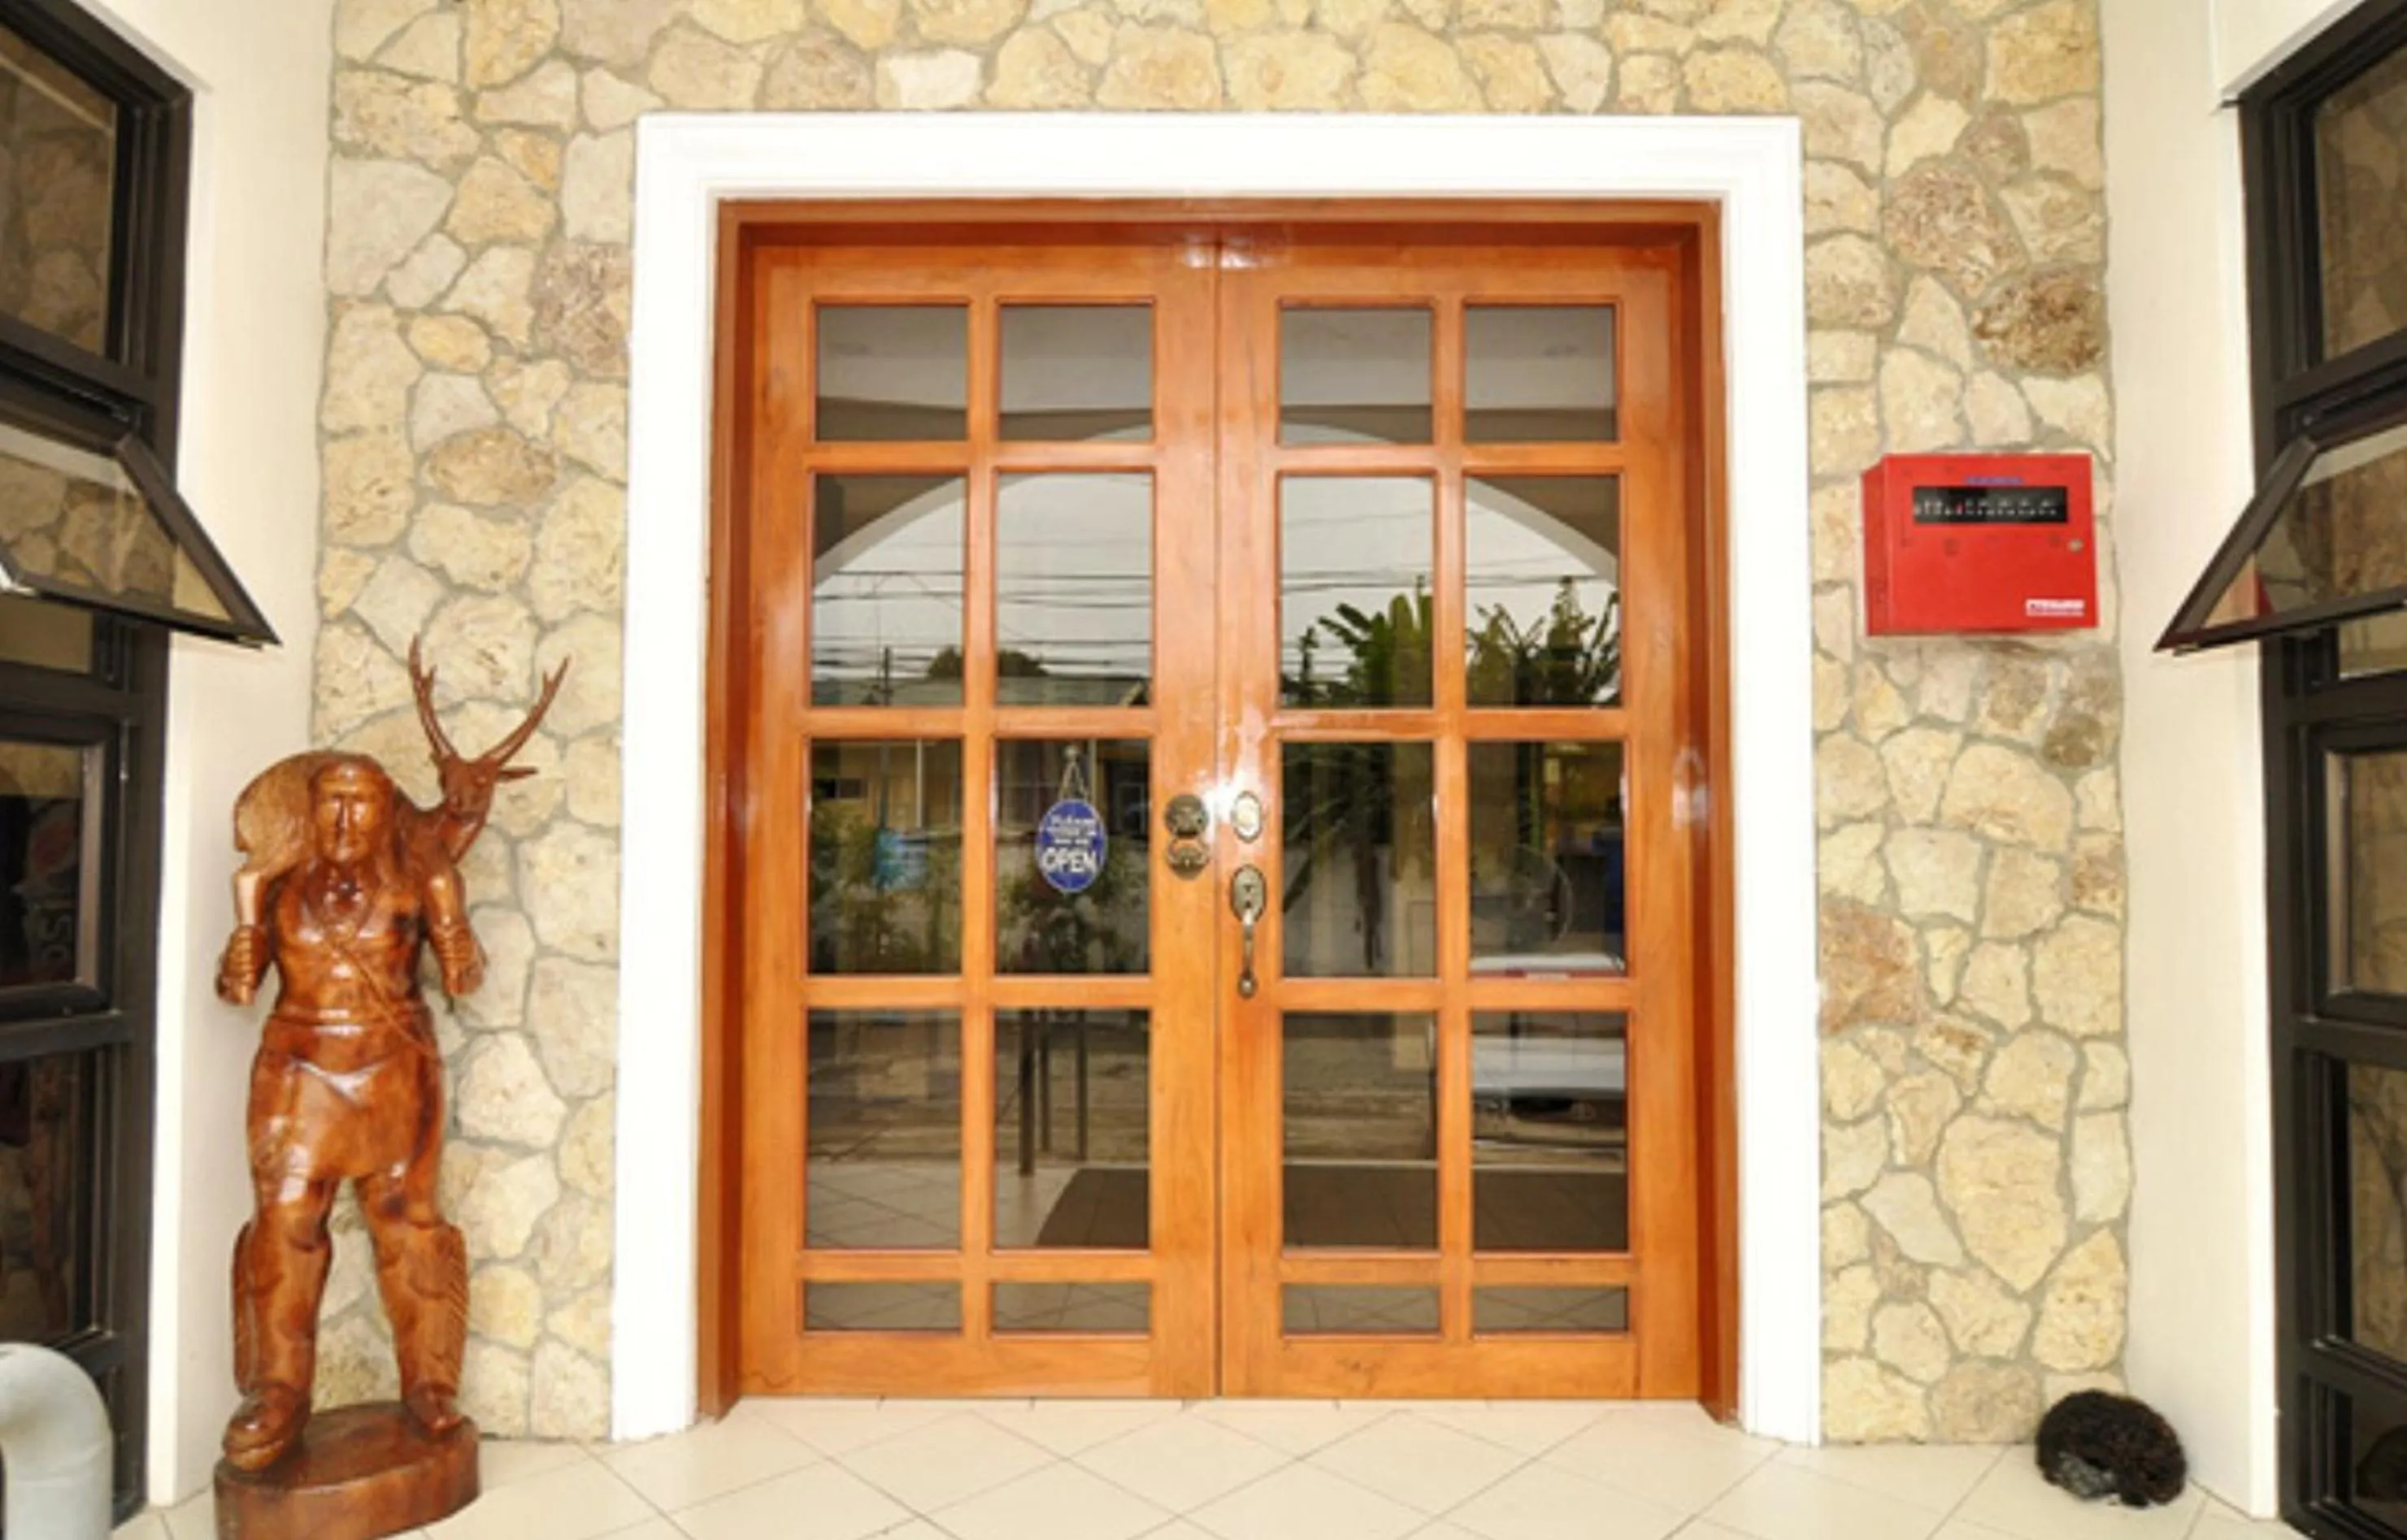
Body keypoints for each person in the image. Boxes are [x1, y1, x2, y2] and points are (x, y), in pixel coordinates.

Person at [214, 755, 480, 1471]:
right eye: (331, 800)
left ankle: (429, 1382)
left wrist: (450, 923)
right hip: (297, 1066)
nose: (343, 817)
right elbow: (237, 988)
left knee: (408, 1221)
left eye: (360, 803)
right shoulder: (276, 881)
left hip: (392, 1061)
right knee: (285, 1222)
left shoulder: (414, 878)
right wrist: (242, 948)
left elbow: (465, 977)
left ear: (386, 810)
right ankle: (276, 1390)